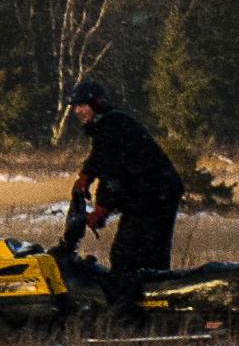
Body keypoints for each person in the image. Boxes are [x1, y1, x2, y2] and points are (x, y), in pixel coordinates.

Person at [66, 79, 186, 276]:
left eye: (81, 105)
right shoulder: (110, 123)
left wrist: (101, 210)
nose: (77, 111)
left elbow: (114, 178)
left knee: (128, 255)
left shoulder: (111, 126)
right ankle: (150, 296)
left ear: (97, 104)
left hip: (153, 195)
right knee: (148, 254)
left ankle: (134, 303)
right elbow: (100, 156)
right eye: (75, 106)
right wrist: (86, 175)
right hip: (153, 193)